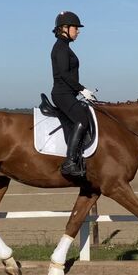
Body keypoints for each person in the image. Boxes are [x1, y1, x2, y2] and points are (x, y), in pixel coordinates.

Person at [50, 11, 95, 178]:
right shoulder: (61, 48)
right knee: (82, 119)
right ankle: (69, 162)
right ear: (64, 28)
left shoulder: (64, 47)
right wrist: (81, 89)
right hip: (62, 93)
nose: (78, 31)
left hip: (67, 93)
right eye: (76, 28)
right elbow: (64, 74)